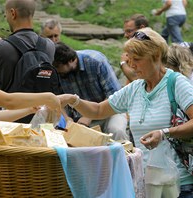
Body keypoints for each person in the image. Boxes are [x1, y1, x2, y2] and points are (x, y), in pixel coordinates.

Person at [58, 27, 193, 197]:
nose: (131, 65)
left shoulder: (176, 83)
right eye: (129, 60)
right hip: (149, 183)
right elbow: (98, 110)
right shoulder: (135, 87)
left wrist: (164, 133)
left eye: (137, 59)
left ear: (157, 56)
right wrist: (73, 100)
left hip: (179, 184)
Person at [0, 0, 56, 123]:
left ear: (13, 13)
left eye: (6, 15)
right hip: (40, 118)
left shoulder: (0, 48)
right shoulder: (49, 45)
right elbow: (26, 55)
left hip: (10, 120)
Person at [53, 42, 128, 140]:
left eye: (58, 66)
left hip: (110, 110)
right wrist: (67, 118)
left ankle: (126, 154)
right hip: (79, 119)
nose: (56, 70)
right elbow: (56, 100)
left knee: (116, 130)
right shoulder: (57, 71)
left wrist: (88, 116)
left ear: (71, 60)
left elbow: (114, 94)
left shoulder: (96, 61)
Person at [121, 14, 149, 83]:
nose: (125, 35)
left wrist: (123, 63)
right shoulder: (134, 49)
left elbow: (138, 80)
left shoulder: (147, 50)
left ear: (142, 28)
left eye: (129, 31)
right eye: (125, 32)